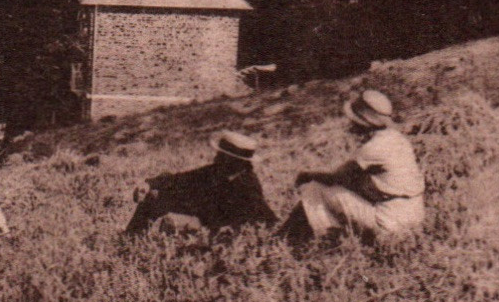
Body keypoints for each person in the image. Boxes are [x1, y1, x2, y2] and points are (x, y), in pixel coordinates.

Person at [277, 88, 425, 244]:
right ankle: (291, 233)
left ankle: (329, 238)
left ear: (364, 122)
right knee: (340, 190)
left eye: (354, 120)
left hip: (392, 222)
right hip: (414, 215)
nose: (351, 124)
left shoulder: (373, 148)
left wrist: (306, 176)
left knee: (313, 188)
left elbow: (335, 178)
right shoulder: (397, 138)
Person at [125, 130, 277, 235]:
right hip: (203, 217)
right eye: (219, 154)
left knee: (172, 222)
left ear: (236, 161)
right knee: (154, 195)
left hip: (217, 230)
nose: (217, 157)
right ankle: (130, 240)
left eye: (222, 155)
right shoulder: (216, 170)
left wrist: (194, 224)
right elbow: (179, 179)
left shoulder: (248, 185)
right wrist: (149, 184)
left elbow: (263, 219)